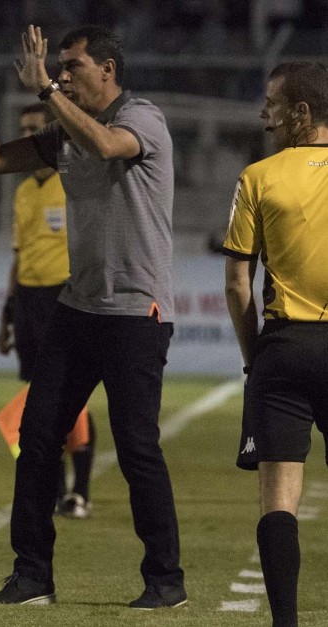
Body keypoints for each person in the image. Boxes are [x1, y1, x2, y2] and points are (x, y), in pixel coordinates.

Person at [0, 25, 186, 608]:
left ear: (107, 69)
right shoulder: (63, 133)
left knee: (136, 448)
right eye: (60, 66)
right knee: (35, 439)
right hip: (77, 310)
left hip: (136, 309)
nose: (62, 74)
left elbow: (108, 146)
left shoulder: (144, 117)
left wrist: (45, 91)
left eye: (72, 66)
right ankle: (32, 577)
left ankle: (166, 580)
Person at [223, 61, 328, 627]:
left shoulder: (257, 178)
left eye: (272, 106)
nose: (265, 118)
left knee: (278, 498)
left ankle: (284, 623)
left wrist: (253, 357)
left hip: (284, 349)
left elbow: (237, 282)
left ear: (302, 113)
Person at [0, 102, 97, 519]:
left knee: (74, 400)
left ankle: (82, 491)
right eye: (23, 130)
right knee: (39, 403)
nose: (28, 138)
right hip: (30, 303)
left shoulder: (73, 182)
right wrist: (7, 314)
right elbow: (19, 258)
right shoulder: (21, 192)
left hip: (65, 297)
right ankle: (57, 493)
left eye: (35, 130)